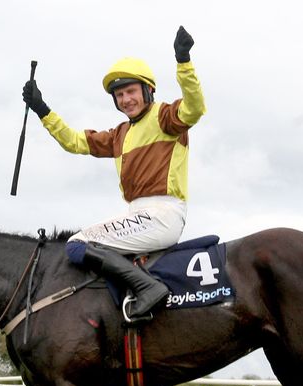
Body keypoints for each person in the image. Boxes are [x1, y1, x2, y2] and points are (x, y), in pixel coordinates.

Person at [22, 25, 206, 318]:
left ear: (148, 90)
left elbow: (195, 108)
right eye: (119, 95)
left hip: (163, 214)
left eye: (130, 91)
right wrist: (43, 109)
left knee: (76, 245)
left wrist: (183, 61)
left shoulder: (165, 117)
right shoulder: (119, 134)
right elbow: (75, 141)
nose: (125, 100)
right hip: (137, 215)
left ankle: (150, 289)